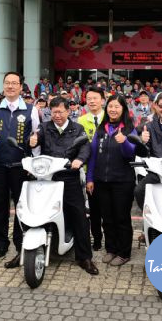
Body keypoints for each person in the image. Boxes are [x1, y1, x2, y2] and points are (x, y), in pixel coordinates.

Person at [28, 97, 98, 274]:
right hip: (47, 178)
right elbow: (35, 137)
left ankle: (84, 257)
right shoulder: (44, 127)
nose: (57, 115)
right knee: (30, 210)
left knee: (79, 215)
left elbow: (85, 147)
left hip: (69, 177)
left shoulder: (77, 128)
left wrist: (79, 160)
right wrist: (33, 140)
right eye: (54, 112)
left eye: (60, 111)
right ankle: (25, 249)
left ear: (68, 111)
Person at [0, 72, 40, 268]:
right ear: (3, 86)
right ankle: (1, 243)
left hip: (20, 166)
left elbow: (36, 136)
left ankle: (19, 241)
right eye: (7, 83)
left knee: (20, 207)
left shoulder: (31, 110)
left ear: (21, 87)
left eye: (14, 83)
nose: (11, 86)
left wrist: (34, 151)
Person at [86, 95, 138, 266]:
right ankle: (111, 249)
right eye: (110, 106)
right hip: (101, 181)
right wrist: (90, 178)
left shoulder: (129, 129)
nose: (113, 110)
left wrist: (124, 142)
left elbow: (131, 153)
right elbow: (93, 155)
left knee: (121, 217)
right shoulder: (102, 129)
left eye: (117, 106)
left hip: (123, 181)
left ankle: (124, 252)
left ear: (123, 109)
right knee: (106, 218)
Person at [77, 86, 106, 251]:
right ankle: (96, 238)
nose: (92, 101)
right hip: (89, 172)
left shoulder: (110, 119)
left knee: (108, 209)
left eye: (95, 98)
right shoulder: (81, 121)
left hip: (108, 171)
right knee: (93, 209)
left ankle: (111, 239)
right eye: (89, 99)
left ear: (102, 100)